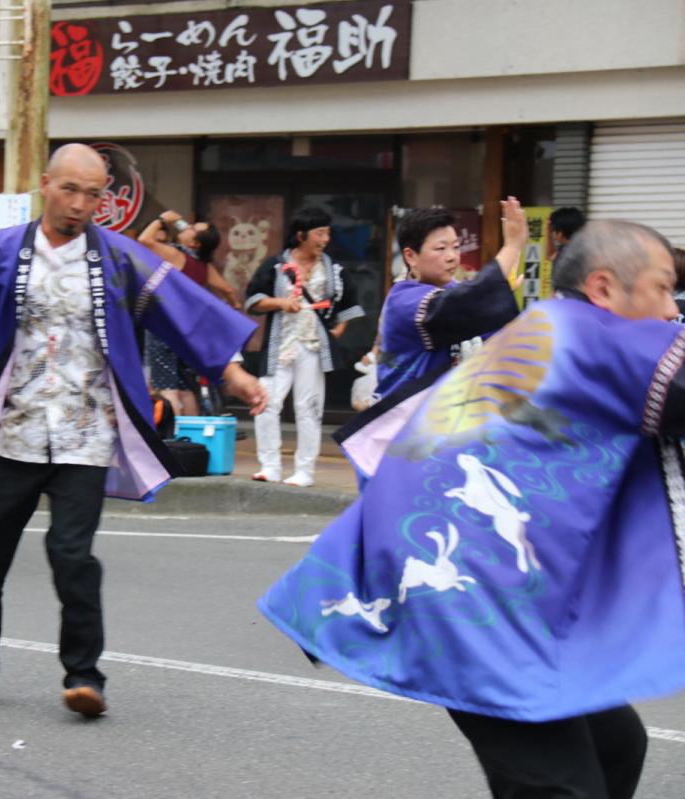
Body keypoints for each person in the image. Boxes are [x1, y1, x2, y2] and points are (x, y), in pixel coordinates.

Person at [260, 219, 685, 798]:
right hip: (472, 588)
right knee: (561, 787)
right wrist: (509, 252)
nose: (670, 310)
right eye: (663, 288)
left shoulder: (549, 327)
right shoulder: (588, 336)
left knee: (617, 744)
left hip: (482, 558)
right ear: (604, 288)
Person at [0, 143, 266, 717]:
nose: (81, 204)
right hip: (16, 428)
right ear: (46, 185)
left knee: (72, 554)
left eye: (94, 194)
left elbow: (180, 310)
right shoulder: (3, 251)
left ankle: (86, 677)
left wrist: (232, 372)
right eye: (70, 190)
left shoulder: (119, 257)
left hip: (87, 432)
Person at [244, 206, 365, 486]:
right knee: (266, 403)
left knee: (309, 408)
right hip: (280, 344)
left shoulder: (333, 270)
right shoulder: (275, 266)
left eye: (327, 233)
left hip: (312, 346)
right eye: (319, 232)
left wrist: (338, 328)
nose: (325, 239)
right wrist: (281, 303)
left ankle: (304, 471)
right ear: (301, 235)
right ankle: (269, 466)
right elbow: (253, 300)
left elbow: (347, 306)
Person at [374, 202, 527, 401]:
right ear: (411, 256)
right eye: (440, 248)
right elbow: (464, 305)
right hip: (406, 420)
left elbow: (499, 339)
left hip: (451, 417)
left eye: (456, 247)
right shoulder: (402, 299)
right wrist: (512, 248)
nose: (452, 257)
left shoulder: (454, 291)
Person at [137, 210, 240, 417]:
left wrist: (162, 219)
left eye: (193, 229)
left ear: (196, 243)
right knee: (185, 388)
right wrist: (234, 307)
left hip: (164, 325)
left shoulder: (177, 255)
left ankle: (172, 439)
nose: (187, 228)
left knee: (167, 388)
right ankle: (191, 437)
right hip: (187, 329)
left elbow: (144, 239)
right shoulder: (203, 265)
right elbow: (228, 290)